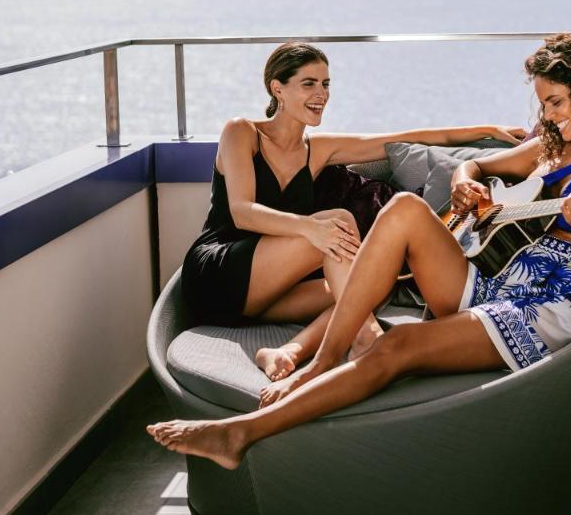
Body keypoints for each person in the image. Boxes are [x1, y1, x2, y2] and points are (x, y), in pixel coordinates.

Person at [149, 34, 571, 471]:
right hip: (497, 282)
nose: (547, 116)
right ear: (276, 89)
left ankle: (244, 429)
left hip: (546, 304)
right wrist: (463, 180)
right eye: (544, 104)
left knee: (392, 332)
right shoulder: (549, 150)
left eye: (557, 102)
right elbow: (478, 167)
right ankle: (327, 357)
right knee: (404, 208)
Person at [181, 40, 524, 376]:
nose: (321, 94)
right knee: (338, 222)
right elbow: (243, 211)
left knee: (367, 287)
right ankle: (366, 338)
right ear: (277, 88)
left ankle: (287, 351)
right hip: (218, 276)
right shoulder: (242, 132)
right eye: (309, 83)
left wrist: (485, 130)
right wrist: (311, 228)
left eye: (326, 84)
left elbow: (405, 137)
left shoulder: (317, 149)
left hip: (263, 297)